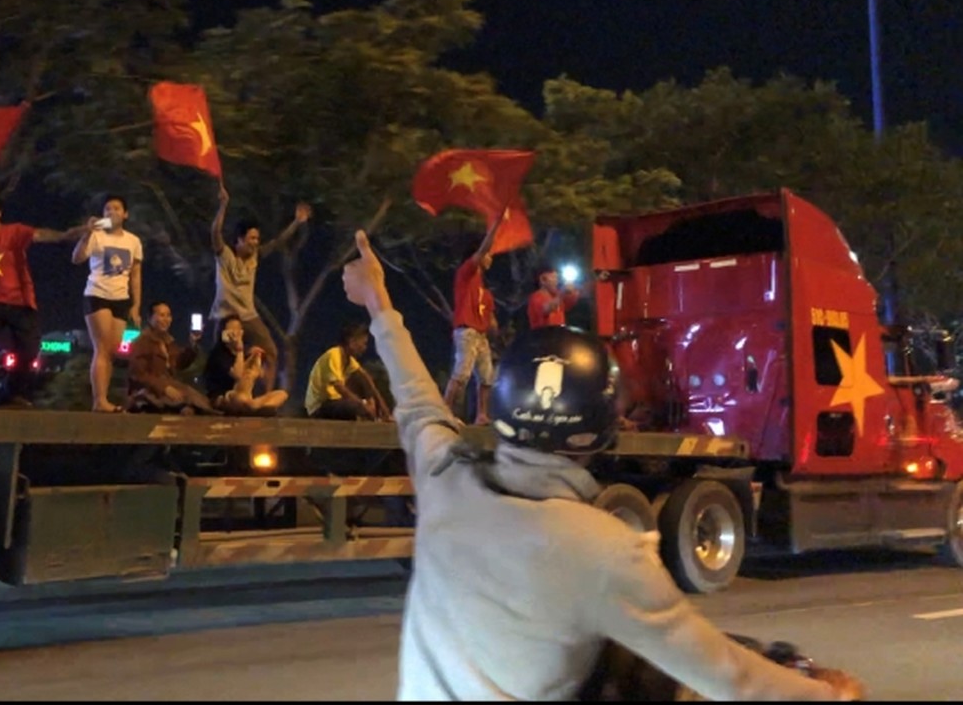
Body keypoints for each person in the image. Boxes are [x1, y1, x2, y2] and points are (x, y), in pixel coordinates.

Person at [337, 229, 863, 701]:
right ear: (602, 430)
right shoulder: (606, 550)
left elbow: (418, 399)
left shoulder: (445, 480)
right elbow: (728, 678)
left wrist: (378, 301)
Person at [0, 195, 90, 408]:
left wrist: (69, 234)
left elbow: (42, 235)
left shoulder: (13, 232)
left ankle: (14, 393)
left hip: (21, 300)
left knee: (29, 349)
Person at [210, 185, 311, 391]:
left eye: (257, 239)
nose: (255, 243)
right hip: (225, 314)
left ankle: (267, 399)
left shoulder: (255, 256)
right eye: (251, 239)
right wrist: (223, 205)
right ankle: (218, 397)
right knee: (219, 358)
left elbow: (278, 242)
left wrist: (296, 222)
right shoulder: (225, 256)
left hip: (247, 315)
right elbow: (215, 232)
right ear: (239, 239)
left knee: (271, 352)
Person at [72, 195, 143, 413]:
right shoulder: (96, 235)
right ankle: (99, 400)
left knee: (111, 351)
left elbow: (136, 276)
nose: (111, 212)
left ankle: (102, 398)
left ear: (125, 214)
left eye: (116, 208)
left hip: (121, 298)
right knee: (101, 347)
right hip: (97, 294)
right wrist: (86, 233)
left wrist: (136, 306)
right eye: (107, 208)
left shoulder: (133, 241)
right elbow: (77, 258)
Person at [444, 220, 500, 424]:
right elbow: (481, 250)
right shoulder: (466, 273)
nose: (490, 257)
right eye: (488, 254)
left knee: (486, 377)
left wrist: (493, 326)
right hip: (467, 332)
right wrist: (493, 229)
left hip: (481, 335)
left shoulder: (484, 291)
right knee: (462, 373)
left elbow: (491, 319)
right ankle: (446, 410)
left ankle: (482, 414)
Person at [126, 302, 215, 414]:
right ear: (150, 318)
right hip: (149, 390)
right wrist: (164, 388)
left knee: (195, 399)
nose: (166, 319)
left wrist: (193, 344)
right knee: (185, 402)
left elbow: (179, 363)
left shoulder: (168, 342)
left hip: (169, 386)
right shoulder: (142, 342)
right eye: (161, 315)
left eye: (168, 315)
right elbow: (138, 375)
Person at [202, 315, 289, 415]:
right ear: (223, 333)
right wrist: (239, 350)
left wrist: (256, 358)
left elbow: (260, 375)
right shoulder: (218, 354)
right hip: (225, 397)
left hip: (247, 397)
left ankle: (255, 407)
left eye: (238, 330)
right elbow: (238, 375)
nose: (235, 334)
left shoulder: (247, 351)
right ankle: (258, 408)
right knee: (239, 398)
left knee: (282, 394)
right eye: (231, 330)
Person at [305, 323, 391, 421]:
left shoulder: (348, 360)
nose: (364, 348)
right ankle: (373, 421)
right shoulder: (333, 354)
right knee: (354, 408)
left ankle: (381, 416)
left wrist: (381, 404)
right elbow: (340, 388)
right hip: (319, 407)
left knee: (361, 380)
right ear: (352, 341)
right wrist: (362, 405)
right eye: (363, 343)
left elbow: (366, 379)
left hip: (334, 403)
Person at [528, 265, 581, 329]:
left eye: (557, 277)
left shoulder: (557, 295)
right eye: (553, 277)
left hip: (558, 336)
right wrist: (563, 292)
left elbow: (569, 304)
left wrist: (573, 292)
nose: (556, 281)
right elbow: (547, 308)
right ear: (542, 280)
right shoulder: (535, 298)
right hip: (543, 337)